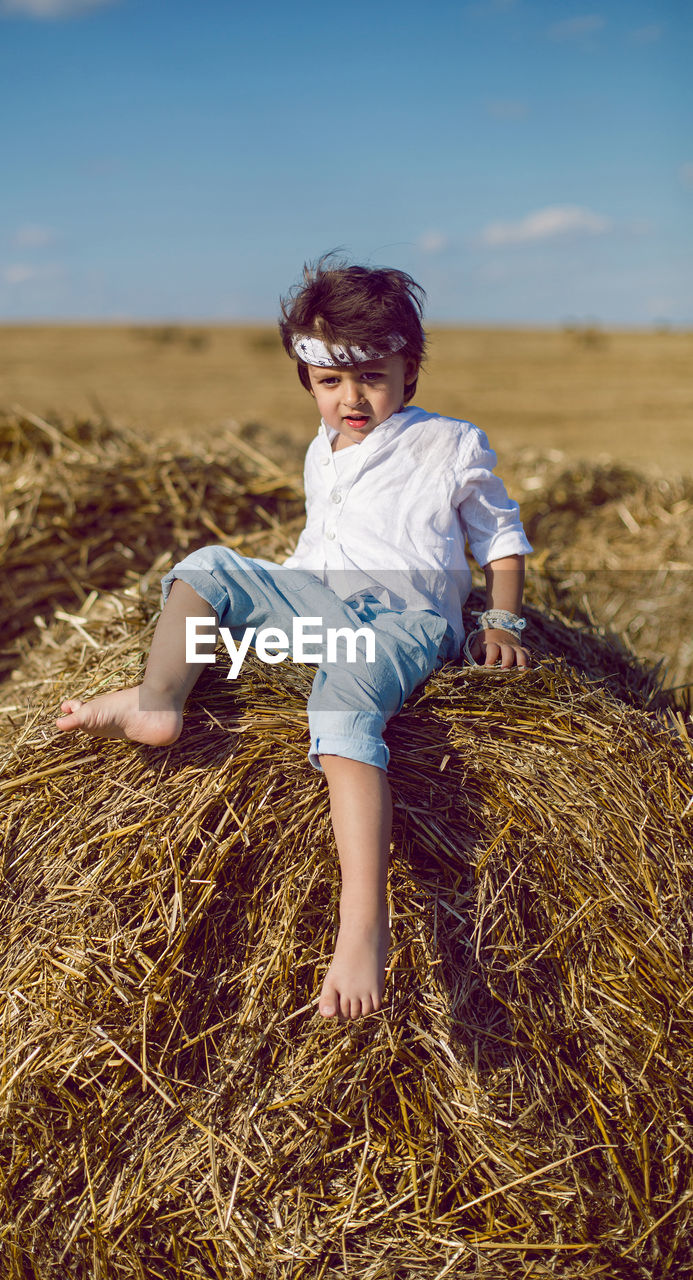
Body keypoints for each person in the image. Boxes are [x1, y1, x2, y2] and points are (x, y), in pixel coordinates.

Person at [56, 255, 532, 1022]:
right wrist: (266, 601)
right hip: (321, 602)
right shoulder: (321, 450)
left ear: (408, 372)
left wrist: (502, 619)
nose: (351, 397)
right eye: (329, 381)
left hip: (405, 620)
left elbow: (499, 536)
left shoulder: (447, 443)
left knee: (340, 711)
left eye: (371, 377)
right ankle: (156, 702)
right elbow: (316, 549)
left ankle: (362, 926)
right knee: (207, 567)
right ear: (307, 381)